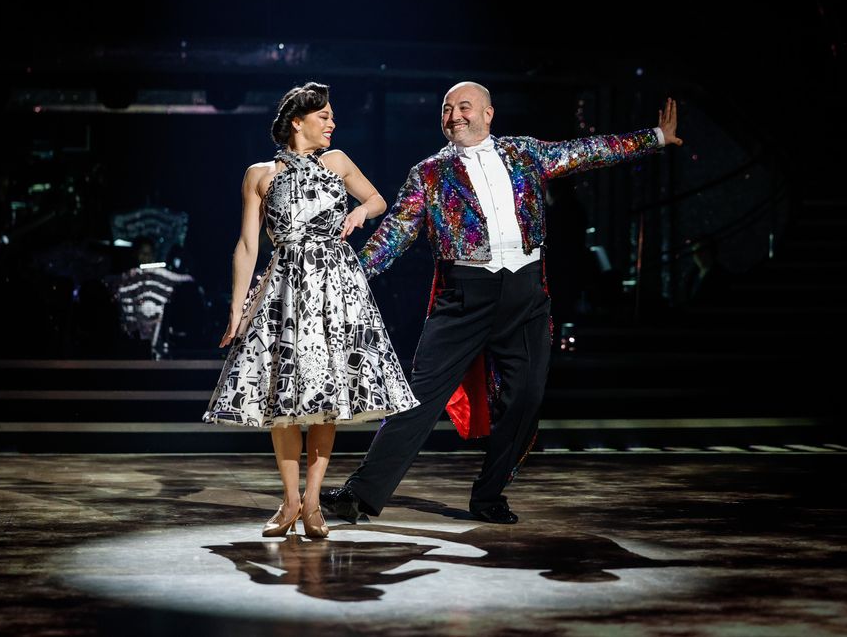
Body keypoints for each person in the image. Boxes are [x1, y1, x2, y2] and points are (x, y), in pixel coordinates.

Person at [322, 81, 682, 524]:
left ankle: (489, 494)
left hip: (526, 293)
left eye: (465, 107)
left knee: (526, 396)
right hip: (463, 297)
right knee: (419, 397)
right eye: (447, 108)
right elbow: (394, 234)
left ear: (488, 114)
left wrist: (656, 138)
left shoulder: (524, 153)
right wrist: (347, 273)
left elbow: (589, 150)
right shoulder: (429, 173)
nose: (455, 115)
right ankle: (361, 494)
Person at [204, 82, 417, 538]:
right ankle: (289, 502)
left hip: (335, 286)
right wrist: (237, 309)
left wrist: (360, 215)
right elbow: (247, 245)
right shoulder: (259, 174)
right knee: (282, 397)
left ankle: (315, 503)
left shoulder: (336, 162)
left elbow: (377, 199)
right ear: (297, 122)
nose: (332, 123)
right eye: (324, 116)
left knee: (326, 398)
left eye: (332, 116)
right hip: (284, 287)